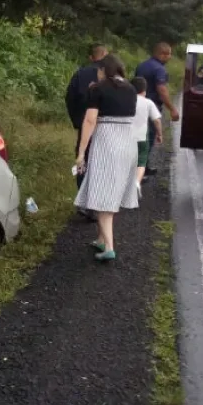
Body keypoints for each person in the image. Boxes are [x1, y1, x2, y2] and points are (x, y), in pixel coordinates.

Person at [74, 54, 139, 261]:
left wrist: (81, 152)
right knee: (112, 191)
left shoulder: (98, 88)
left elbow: (90, 120)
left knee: (102, 194)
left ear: (104, 70)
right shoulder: (131, 89)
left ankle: (109, 247)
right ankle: (101, 239)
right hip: (128, 142)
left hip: (107, 142)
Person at [66, 43, 108, 220]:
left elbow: (69, 97)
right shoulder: (112, 75)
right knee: (101, 162)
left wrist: (77, 121)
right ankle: (98, 203)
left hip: (84, 126)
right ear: (106, 56)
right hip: (106, 126)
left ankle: (84, 203)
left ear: (91, 57)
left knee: (82, 160)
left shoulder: (80, 74)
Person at [134, 43, 179, 178]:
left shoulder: (142, 65)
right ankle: (141, 170)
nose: (170, 57)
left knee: (138, 137)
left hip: (136, 105)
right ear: (163, 54)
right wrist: (172, 109)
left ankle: (141, 166)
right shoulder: (159, 69)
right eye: (169, 54)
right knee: (149, 137)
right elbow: (162, 90)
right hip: (151, 107)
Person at [130, 77, 162, 197]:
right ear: (144, 90)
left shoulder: (126, 100)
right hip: (142, 136)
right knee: (141, 161)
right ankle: (137, 183)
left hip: (126, 136)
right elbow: (157, 120)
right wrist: (159, 134)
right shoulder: (148, 102)